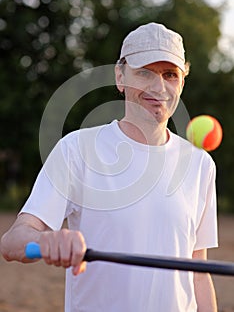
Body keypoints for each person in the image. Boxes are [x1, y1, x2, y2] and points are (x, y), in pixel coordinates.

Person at [1, 23, 218, 311]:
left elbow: (198, 271)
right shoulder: (77, 149)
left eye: (170, 75)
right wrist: (46, 240)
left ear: (181, 82)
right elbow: (13, 242)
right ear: (120, 76)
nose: (158, 87)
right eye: (144, 72)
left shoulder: (200, 163)